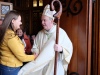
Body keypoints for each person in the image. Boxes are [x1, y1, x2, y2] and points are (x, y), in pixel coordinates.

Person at [18, 4, 73, 75]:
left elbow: (69, 49)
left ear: (52, 20)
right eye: (41, 20)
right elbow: (35, 47)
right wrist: (36, 52)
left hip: (54, 65)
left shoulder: (60, 33)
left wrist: (61, 49)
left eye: (44, 20)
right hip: (40, 65)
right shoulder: (40, 33)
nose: (42, 23)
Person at [0, 10, 37, 75]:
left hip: (7, 67)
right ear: (13, 21)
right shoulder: (10, 37)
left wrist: (20, 49)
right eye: (19, 20)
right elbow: (22, 57)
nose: (21, 23)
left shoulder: (8, 33)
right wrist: (34, 56)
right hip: (11, 68)